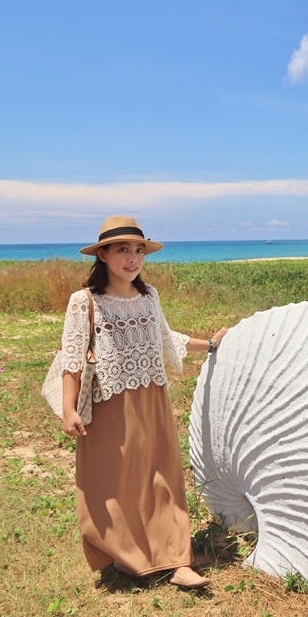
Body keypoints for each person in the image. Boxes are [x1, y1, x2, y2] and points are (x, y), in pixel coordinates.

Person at [60, 216, 228, 589]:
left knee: (162, 476)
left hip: (151, 397)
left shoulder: (149, 297)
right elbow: (72, 359)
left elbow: (167, 339)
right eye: (123, 250)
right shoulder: (84, 302)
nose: (133, 258)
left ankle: (177, 559)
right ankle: (128, 556)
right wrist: (69, 409)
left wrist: (210, 345)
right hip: (108, 403)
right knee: (116, 481)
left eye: (139, 250)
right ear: (102, 254)